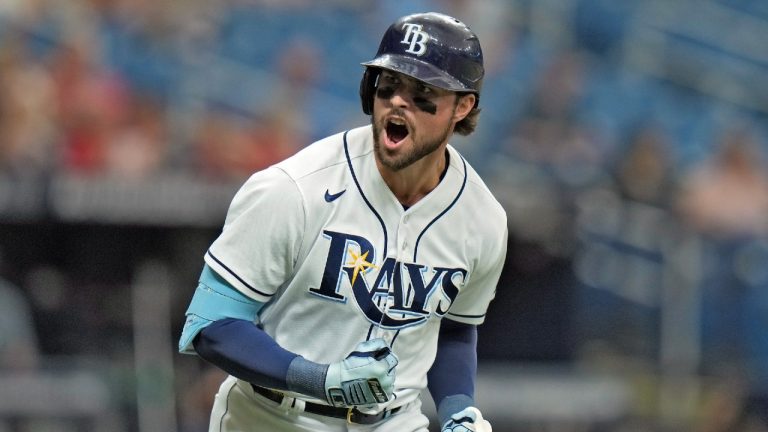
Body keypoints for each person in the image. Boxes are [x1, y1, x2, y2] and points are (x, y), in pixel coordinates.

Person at [178, 12, 507, 432]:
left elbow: (456, 329)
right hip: (272, 418)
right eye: (389, 83)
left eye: (424, 91)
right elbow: (212, 326)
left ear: (462, 107)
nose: (399, 101)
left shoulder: (482, 219)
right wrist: (321, 379)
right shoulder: (293, 189)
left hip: (395, 422)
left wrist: (458, 408)